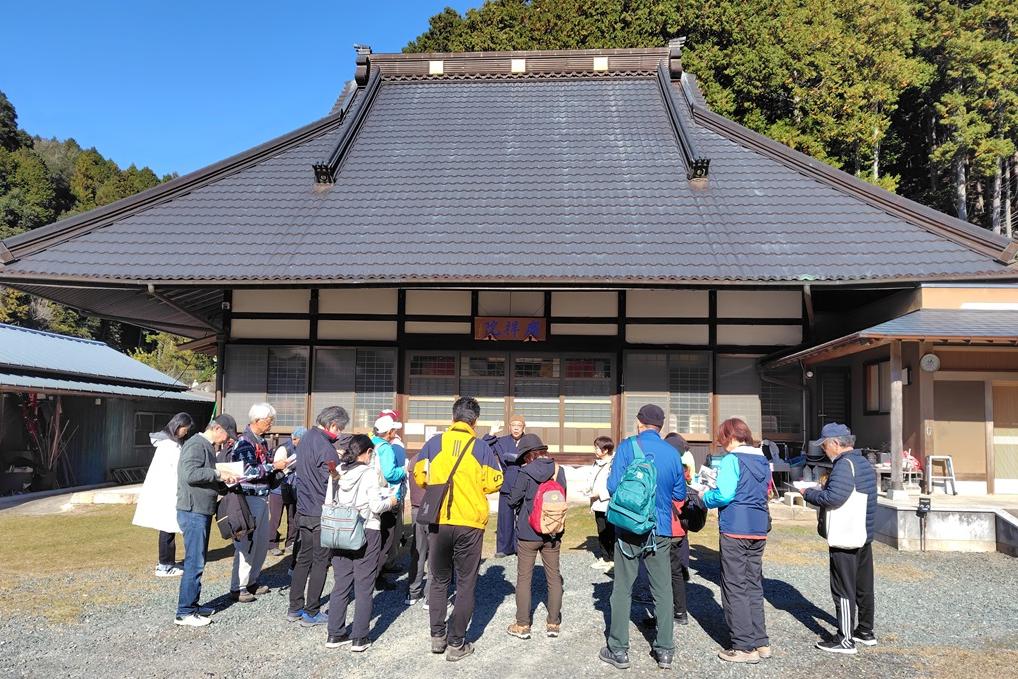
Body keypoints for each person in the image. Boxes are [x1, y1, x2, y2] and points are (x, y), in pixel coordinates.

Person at [413, 396, 503, 662]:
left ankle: (437, 637)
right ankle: (456, 643)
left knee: (439, 580)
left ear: (452, 418)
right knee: (465, 583)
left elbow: (420, 476)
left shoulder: (433, 444)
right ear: (475, 421)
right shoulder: (481, 447)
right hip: (469, 522)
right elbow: (495, 481)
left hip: (439, 521)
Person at [599, 405, 686, 671]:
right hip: (660, 528)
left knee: (623, 587)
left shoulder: (627, 448)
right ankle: (665, 650)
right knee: (662, 589)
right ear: (660, 426)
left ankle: (619, 649)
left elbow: (612, 486)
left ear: (639, 423)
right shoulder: (672, 453)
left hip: (629, 527)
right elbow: (679, 493)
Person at [801, 423, 878, 655]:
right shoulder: (863, 462)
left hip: (846, 534)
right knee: (864, 586)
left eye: (824, 445)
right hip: (864, 532)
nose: (824, 450)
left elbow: (834, 497)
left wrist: (809, 493)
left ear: (835, 443)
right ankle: (865, 631)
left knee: (843, 587)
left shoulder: (844, 466)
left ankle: (845, 639)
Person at [698, 418, 771, 664]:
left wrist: (704, 497)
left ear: (730, 437)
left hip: (735, 528)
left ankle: (743, 647)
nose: (721, 445)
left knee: (734, 586)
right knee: (753, 584)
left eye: (722, 439)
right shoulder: (762, 459)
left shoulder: (732, 460)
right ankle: (760, 642)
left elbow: (725, 494)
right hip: (758, 528)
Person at [326, 434, 400, 652]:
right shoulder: (368, 473)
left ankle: (335, 633)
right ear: (367, 453)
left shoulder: (337, 472)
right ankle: (360, 637)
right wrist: (392, 501)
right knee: (364, 585)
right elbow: (376, 507)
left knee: (340, 585)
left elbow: (328, 502)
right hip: (366, 530)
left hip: (339, 531)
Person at [174, 414, 241, 626]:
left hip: (200, 509)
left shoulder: (207, 446)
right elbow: (190, 474)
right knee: (194, 561)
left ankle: (192, 605)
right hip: (193, 510)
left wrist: (225, 481)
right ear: (217, 428)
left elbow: (205, 477)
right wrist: (218, 474)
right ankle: (185, 611)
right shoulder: (196, 444)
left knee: (197, 559)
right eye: (226, 435)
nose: (227, 440)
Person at [289, 406, 350, 627]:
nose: (341, 432)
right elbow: (332, 478)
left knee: (303, 559)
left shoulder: (304, 439)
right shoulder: (327, 448)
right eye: (340, 428)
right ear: (333, 425)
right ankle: (311, 611)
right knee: (320, 561)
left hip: (303, 508)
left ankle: (294, 607)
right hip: (320, 511)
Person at [506, 434, 567, 640]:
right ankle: (553, 623)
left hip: (528, 532)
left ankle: (523, 625)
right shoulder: (559, 470)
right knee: (554, 576)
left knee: (524, 578)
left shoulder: (525, 472)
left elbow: (513, 500)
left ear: (528, 455)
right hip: (553, 531)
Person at [227, 402, 289, 603]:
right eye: (269, 421)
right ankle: (238, 586)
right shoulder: (244, 442)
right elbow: (246, 472)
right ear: (256, 420)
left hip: (262, 496)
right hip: (248, 497)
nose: (271, 424)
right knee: (246, 543)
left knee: (261, 543)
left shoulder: (260, 441)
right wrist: (273, 466)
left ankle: (252, 580)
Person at [133, 412, 195, 577]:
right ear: (178, 426)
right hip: (168, 492)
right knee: (167, 529)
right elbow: (175, 471)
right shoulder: (169, 446)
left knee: (168, 529)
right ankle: (165, 565)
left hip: (168, 491)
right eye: (185, 429)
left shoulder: (169, 444)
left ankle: (167, 563)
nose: (186, 433)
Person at [370, 410, 406, 591]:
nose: (395, 433)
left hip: (369, 497)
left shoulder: (370, 443)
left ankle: (369, 574)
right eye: (394, 430)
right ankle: (377, 576)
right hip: (385, 497)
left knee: (373, 537)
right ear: (389, 432)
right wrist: (404, 469)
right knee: (386, 538)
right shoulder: (385, 448)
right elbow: (390, 474)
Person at [485, 414, 526, 558]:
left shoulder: (529, 441)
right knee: (505, 516)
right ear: (509, 427)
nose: (516, 428)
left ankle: (521, 546)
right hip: (507, 480)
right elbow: (483, 448)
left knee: (523, 516)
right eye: (513, 425)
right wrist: (491, 433)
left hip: (525, 481)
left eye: (519, 425)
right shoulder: (501, 441)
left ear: (523, 427)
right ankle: (503, 548)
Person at [268, 426, 305, 557]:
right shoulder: (284, 448)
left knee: (292, 517)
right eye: (294, 438)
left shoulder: (303, 449)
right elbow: (276, 466)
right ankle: (271, 543)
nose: (295, 441)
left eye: (297, 439)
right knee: (275, 518)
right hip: (278, 487)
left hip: (294, 488)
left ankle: (290, 543)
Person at [404, 443, 430, 606]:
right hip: (433, 511)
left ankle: (413, 592)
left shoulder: (413, 461)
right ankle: (430, 596)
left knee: (418, 552)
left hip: (416, 509)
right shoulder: (436, 461)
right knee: (435, 554)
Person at [583, 435, 615, 570]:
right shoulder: (596, 463)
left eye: (598, 448)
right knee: (601, 532)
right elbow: (592, 480)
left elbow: (614, 486)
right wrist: (587, 489)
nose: (595, 450)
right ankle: (605, 557)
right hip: (597, 504)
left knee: (611, 532)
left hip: (608, 503)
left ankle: (613, 560)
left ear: (606, 450)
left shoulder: (614, 464)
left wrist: (600, 494)